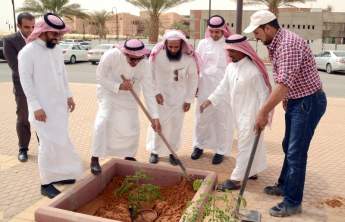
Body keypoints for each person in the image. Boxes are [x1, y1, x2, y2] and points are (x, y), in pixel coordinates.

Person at [244, 10, 327, 217]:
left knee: (296, 153)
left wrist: (263, 112)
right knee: (288, 146)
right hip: (298, 100)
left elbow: (283, 85)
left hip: (307, 102)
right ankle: (284, 185)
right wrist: (288, 100)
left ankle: (292, 202)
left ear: (268, 28)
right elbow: (288, 81)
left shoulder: (288, 44)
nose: (256, 36)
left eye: (257, 32)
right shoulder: (277, 42)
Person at [18, 13, 83, 198]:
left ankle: (61, 175)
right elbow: (26, 82)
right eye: (55, 34)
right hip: (42, 110)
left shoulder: (55, 50)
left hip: (59, 108)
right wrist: (35, 106)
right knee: (47, 145)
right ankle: (46, 183)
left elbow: (62, 75)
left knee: (60, 141)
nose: (58, 37)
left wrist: (69, 96)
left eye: (60, 34)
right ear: (44, 31)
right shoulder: (27, 52)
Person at [200, 34, 271, 190]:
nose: (229, 54)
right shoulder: (231, 67)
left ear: (242, 50)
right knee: (251, 143)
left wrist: (263, 117)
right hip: (238, 114)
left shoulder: (254, 71)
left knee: (245, 145)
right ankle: (252, 171)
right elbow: (223, 87)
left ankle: (236, 179)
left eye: (232, 51)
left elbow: (265, 95)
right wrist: (209, 100)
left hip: (253, 115)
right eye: (228, 51)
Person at [90, 39, 161, 175]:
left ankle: (129, 156)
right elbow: (99, 77)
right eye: (132, 59)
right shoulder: (111, 55)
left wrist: (155, 117)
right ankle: (95, 157)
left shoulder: (145, 65)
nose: (135, 62)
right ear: (125, 53)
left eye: (138, 59)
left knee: (131, 125)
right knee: (103, 121)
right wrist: (118, 86)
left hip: (130, 96)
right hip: (108, 92)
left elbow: (148, 92)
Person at [146, 30, 199, 165]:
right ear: (165, 44)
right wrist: (156, 92)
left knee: (176, 125)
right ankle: (155, 151)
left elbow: (193, 78)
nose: (173, 49)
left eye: (176, 47)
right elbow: (149, 75)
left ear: (181, 45)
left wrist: (188, 99)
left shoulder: (188, 58)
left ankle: (172, 152)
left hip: (179, 97)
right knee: (159, 124)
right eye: (170, 47)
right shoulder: (157, 56)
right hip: (161, 96)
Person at [191, 15, 233, 165]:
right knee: (201, 118)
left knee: (221, 120)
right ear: (209, 30)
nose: (215, 34)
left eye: (218, 32)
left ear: (223, 31)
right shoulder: (203, 44)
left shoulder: (229, 44)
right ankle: (199, 146)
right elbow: (197, 66)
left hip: (223, 89)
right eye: (212, 31)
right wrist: (195, 87)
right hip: (204, 87)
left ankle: (220, 151)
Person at [3, 13, 35, 162]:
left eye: (33, 27)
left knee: (44, 117)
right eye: (27, 27)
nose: (30, 30)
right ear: (19, 26)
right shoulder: (9, 41)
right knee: (23, 117)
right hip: (22, 87)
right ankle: (23, 148)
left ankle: (45, 147)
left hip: (42, 86)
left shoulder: (38, 37)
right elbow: (16, 67)